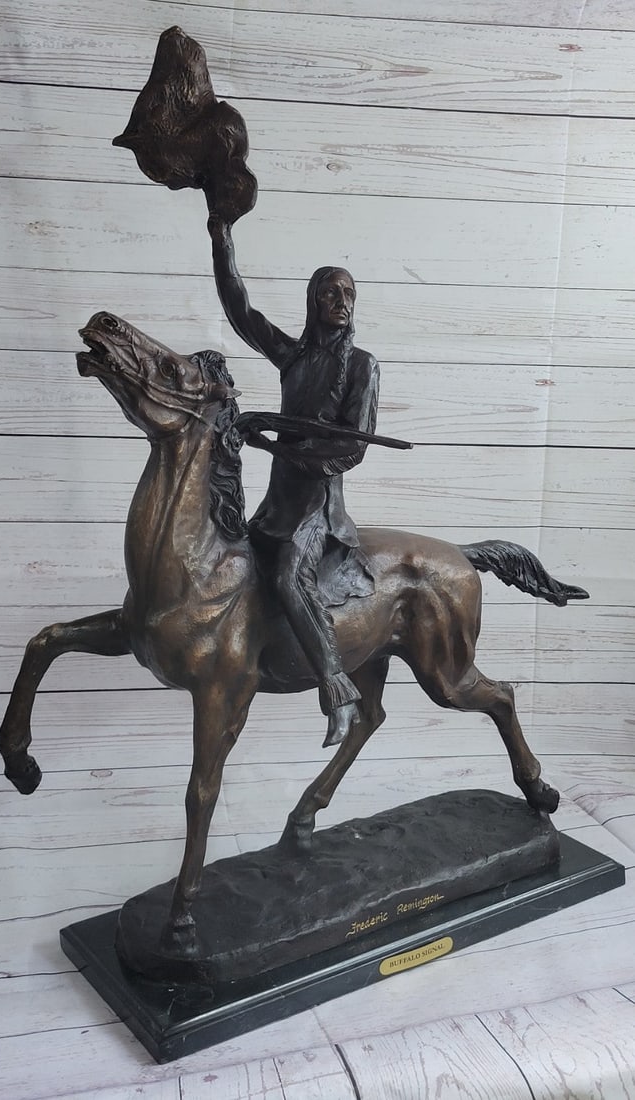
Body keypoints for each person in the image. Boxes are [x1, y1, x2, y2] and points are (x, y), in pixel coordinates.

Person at [208, 216, 380, 746]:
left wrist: (282, 445)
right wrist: (222, 239)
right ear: (313, 302)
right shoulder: (295, 356)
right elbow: (240, 311)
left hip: (317, 512)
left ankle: (336, 687)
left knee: (286, 576)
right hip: (276, 505)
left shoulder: (363, 366)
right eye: (330, 292)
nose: (341, 300)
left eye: (348, 292)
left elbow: (352, 447)